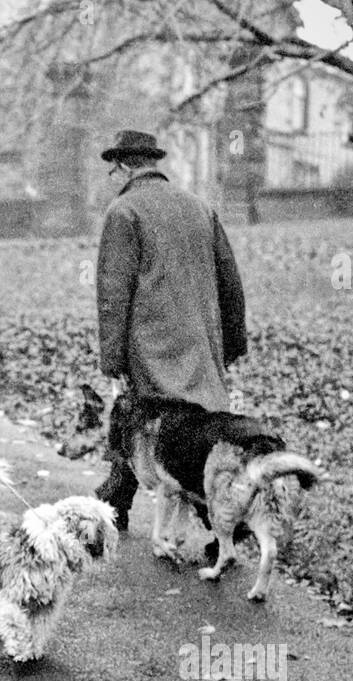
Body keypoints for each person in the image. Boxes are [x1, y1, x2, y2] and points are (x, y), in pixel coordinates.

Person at [93, 129, 248, 530]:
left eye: (113, 170)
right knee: (201, 430)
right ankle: (124, 501)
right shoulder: (199, 206)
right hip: (200, 343)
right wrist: (231, 343)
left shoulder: (124, 212)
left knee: (139, 423)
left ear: (124, 166)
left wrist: (112, 359)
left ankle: (116, 504)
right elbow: (230, 282)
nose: (112, 178)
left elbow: (114, 293)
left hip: (152, 346)